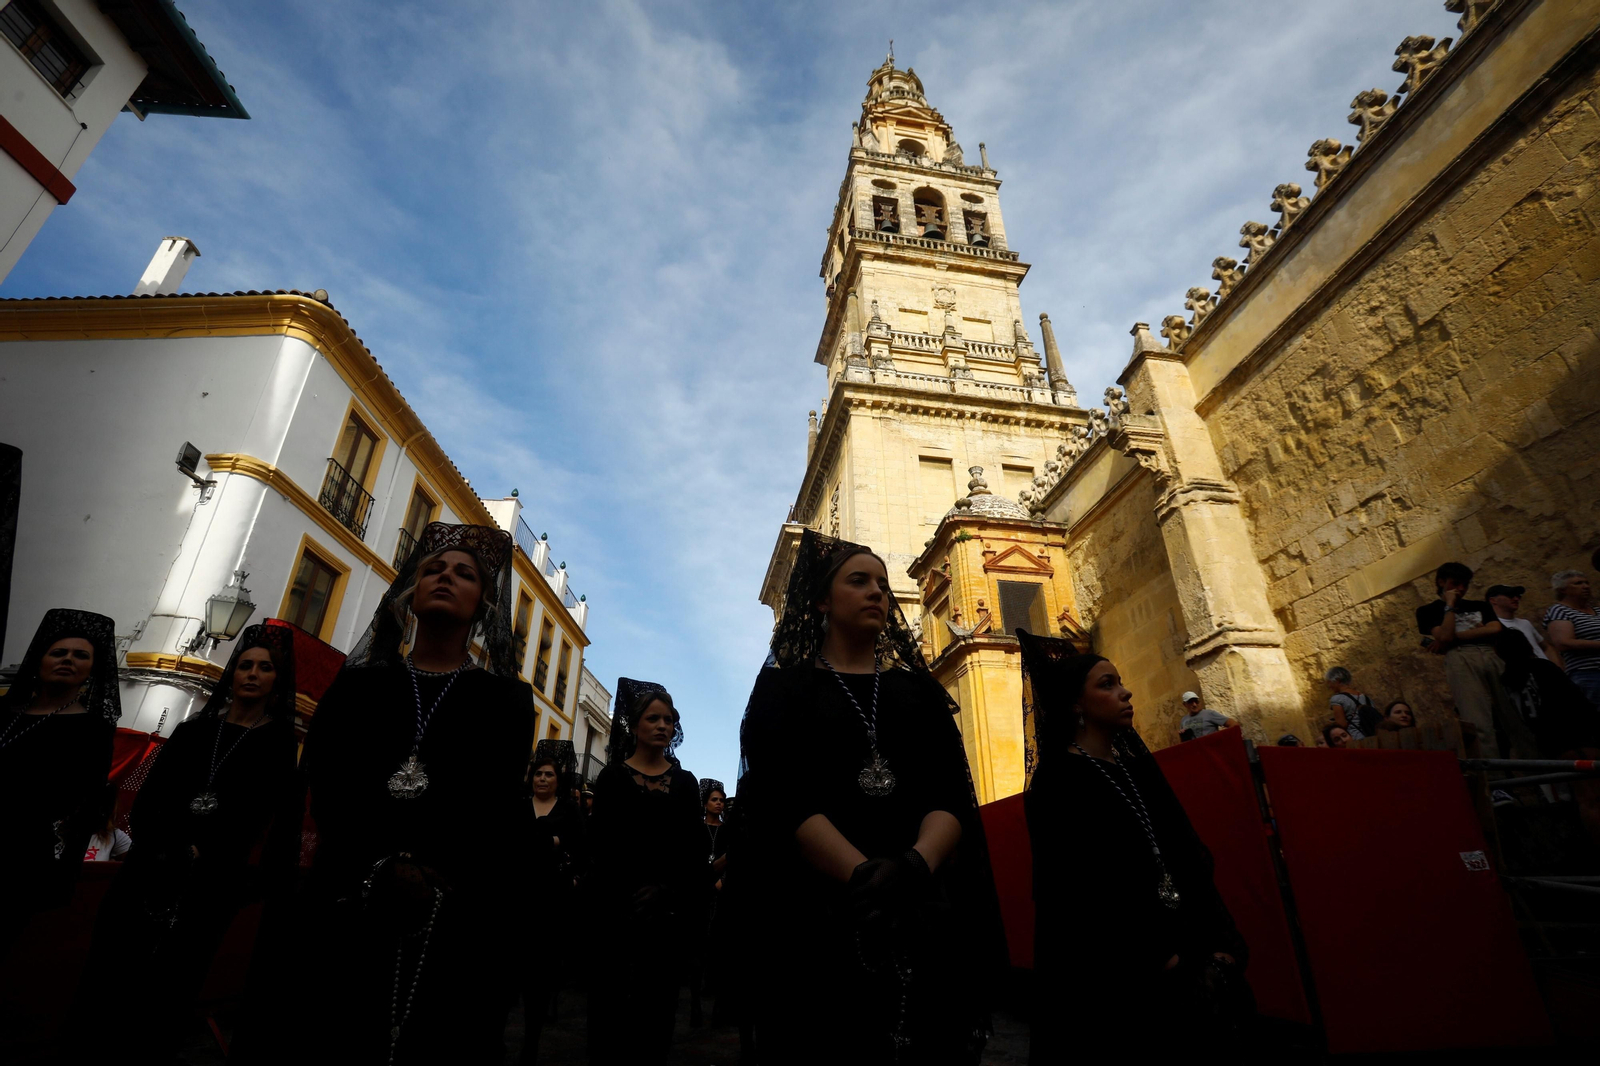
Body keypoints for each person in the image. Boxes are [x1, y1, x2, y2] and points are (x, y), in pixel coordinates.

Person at [235, 522, 535, 1066]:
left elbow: (492, 801)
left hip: (449, 902)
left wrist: (430, 868)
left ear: (484, 604)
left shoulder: (506, 700)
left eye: (464, 574)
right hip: (349, 889)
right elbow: (329, 780)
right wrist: (381, 862)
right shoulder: (361, 685)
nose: (445, 577)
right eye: (433, 570)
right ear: (411, 594)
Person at [737, 530, 1005, 1066]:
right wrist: (863, 877)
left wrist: (912, 866)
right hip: (822, 913)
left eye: (882, 584)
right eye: (858, 581)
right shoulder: (782, 691)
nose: (878, 593)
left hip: (920, 905)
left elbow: (948, 793)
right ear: (820, 599)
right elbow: (783, 798)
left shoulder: (917, 692)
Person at [70, 623, 300, 1060]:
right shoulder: (193, 731)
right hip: (151, 867)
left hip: (210, 883)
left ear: (277, 680)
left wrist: (210, 854)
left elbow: (265, 816)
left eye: (264, 667)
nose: (251, 674)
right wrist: (172, 845)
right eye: (244, 665)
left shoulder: (277, 743)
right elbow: (150, 800)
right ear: (232, 674)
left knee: (172, 982)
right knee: (113, 971)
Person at [1018, 630, 1249, 1059]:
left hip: (1189, 946)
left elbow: (1186, 854)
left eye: (1120, 681)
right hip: (1123, 973)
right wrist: (1160, 960)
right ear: (1074, 704)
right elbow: (1077, 887)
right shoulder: (1058, 782)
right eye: (1106, 685)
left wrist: (1218, 941)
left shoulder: (1138, 772)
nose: (1125, 692)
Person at [584, 678, 702, 1063]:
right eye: (654, 718)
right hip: (616, 910)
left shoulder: (685, 784)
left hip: (665, 915)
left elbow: (692, 848)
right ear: (634, 725)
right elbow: (601, 844)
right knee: (610, 1012)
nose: (663, 725)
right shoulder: (613, 777)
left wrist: (667, 890)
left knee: (657, 1014)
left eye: (669, 719)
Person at [0, 609, 119, 954]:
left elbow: (80, 805)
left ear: (92, 670)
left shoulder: (93, 730)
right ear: (39, 661)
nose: (68, 659)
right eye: (59, 652)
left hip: (19, 863)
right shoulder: (4, 712)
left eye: (80, 655)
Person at [1417, 562, 1537, 759]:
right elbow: (1445, 636)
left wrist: (1452, 637)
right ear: (1441, 582)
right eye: (1456, 583)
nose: (1461, 589)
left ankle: (1542, 775)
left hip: (1490, 654)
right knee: (1477, 720)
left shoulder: (1480, 605)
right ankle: (1495, 780)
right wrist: (1450, 607)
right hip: (1461, 658)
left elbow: (1495, 629)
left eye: (1465, 584)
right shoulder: (1428, 611)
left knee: (1514, 716)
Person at [516, 739, 579, 1065]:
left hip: (551, 900)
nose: (542, 778)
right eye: (538, 773)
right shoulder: (518, 807)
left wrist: (552, 842)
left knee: (540, 974)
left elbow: (576, 846)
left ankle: (532, 1039)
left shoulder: (567, 812)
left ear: (557, 780)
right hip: (518, 897)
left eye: (548, 774)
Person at [688, 777, 728, 1028]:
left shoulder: (728, 830)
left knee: (719, 946)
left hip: (723, 894)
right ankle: (694, 1002)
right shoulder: (696, 829)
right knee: (696, 948)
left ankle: (718, 1004)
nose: (719, 804)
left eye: (722, 800)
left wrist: (723, 880)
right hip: (699, 892)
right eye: (714, 800)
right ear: (705, 803)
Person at [1545, 569, 1600, 709]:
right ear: (1563, 590)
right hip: (1589, 674)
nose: (1586, 586)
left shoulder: (1597, 611)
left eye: (1586, 582)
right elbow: (1563, 642)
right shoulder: (1559, 610)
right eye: (1578, 583)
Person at [1324, 667, 1380, 739]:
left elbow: (1342, 725)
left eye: (1329, 682)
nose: (1329, 686)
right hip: (1373, 737)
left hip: (1355, 737)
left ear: (1337, 680)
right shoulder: (1366, 698)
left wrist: (1331, 724)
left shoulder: (1337, 699)